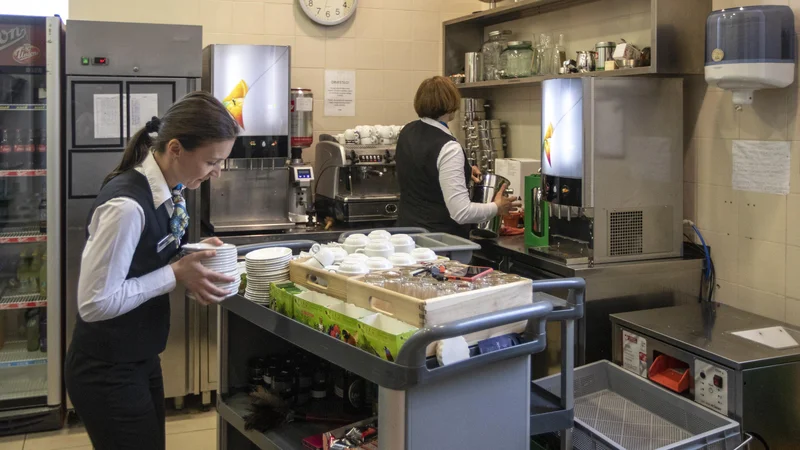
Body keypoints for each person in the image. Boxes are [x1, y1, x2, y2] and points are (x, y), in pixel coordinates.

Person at [65, 91, 239, 450]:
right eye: (212, 162)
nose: (217, 173)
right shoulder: (127, 206)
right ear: (175, 148)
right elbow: (95, 303)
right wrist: (176, 274)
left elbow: (148, 255)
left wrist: (193, 254)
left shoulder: (171, 189)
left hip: (139, 356)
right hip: (107, 369)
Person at [395, 76, 518, 238]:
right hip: (439, 243)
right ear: (451, 104)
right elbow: (461, 212)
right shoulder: (449, 148)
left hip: (407, 236)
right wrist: (497, 207)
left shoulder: (407, 131)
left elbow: (423, 170)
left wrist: (464, 169)